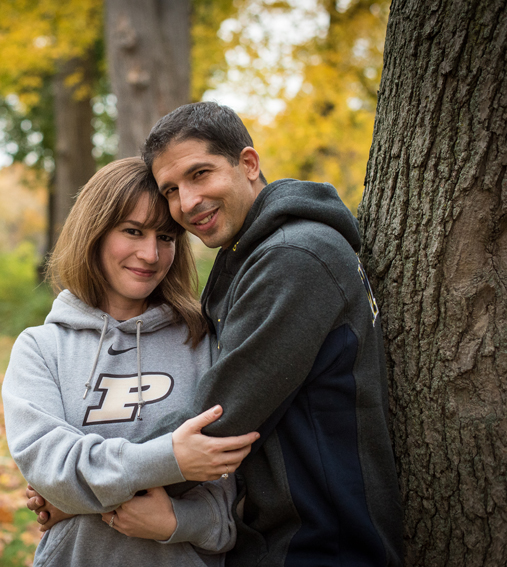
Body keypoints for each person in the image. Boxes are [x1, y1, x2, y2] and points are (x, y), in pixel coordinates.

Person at [137, 101, 404, 566]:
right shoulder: (250, 253)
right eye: (171, 190)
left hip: (321, 545)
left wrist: (97, 481)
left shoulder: (295, 257)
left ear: (248, 163)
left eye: (200, 174)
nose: (186, 202)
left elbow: (220, 417)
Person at [2, 157, 259, 567]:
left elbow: (234, 505)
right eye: (133, 231)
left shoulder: (206, 343)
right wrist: (170, 459)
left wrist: (175, 520)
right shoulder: (40, 349)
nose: (151, 253)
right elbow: (52, 472)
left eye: (167, 237)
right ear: (95, 232)